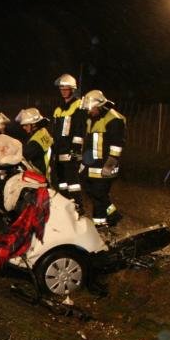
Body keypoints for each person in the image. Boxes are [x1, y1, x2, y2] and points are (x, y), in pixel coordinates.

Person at [79, 90, 126, 227]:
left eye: (91, 108)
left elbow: (117, 146)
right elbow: (89, 144)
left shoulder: (114, 119)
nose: (89, 111)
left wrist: (109, 165)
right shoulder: (91, 118)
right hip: (92, 165)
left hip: (106, 165)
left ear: (99, 106)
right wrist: (83, 163)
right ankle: (112, 215)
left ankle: (102, 223)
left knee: (99, 194)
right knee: (94, 194)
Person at [51, 74, 86, 205]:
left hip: (71, 151)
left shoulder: (79, 106)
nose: (63, 92)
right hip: (59, 151)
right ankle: (66, 204)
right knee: (61, 182)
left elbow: (80, 131)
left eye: (66, 89)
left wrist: (75, 152)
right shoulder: (58, 109)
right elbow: (55, 132)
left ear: (73, 89)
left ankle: (78, 205)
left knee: (73, 182)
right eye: (61, 89)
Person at [15, 108, 54, 180]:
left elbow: (23, 156)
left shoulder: (35, 141)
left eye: (26, 125)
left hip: (40, 177)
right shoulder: (43, 131)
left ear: (34, 125)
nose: (24, 127)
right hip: (48, 174)